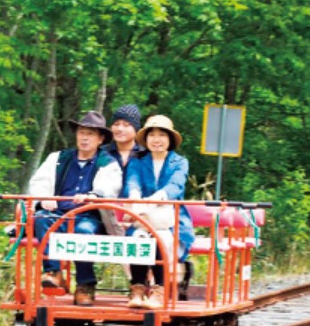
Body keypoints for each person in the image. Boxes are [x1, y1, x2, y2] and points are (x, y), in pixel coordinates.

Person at [28, 111, 122, 306]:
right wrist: (45, 198)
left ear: (100, 139)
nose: (84, 138)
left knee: (83, 231)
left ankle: (85, 285)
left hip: (88, 215)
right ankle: (53, 272)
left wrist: (93, 196)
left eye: (90, 134)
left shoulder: (107, 163)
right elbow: (39, 182)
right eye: (81, 132)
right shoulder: (59, 158)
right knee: (42, 218)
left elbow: (109, 187)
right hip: (58, 213)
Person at [123, 114, 195, 310]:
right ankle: (137, 288)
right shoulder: (138, 161)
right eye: (152, 135)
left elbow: (176, 185)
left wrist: (160, 195)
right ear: (145, 139)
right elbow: (132, 180)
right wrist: (135, 195)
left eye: (162, 135)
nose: (157, 139)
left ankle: (159, 290)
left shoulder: (179, 162)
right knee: (137, 240)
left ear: (170, 139)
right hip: (142, 215)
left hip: (170, 218)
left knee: (160, 240)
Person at [104, 103, 147, 178]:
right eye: (116, 124)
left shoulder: (145, 154)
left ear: (136, 129)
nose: (119, 129)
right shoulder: (102, 152)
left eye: (126, 125)